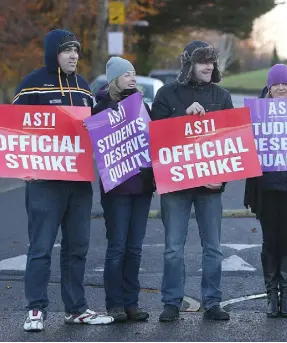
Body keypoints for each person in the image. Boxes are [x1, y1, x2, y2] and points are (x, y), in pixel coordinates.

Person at [13, 29, 114, 332]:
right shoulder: (32, 85)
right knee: (41, 247)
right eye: (67, 50)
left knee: (77, 247)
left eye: (76, 51)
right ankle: (35, 310)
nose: (73, 56)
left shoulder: (83, 87)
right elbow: (15, 131)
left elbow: (93, 131)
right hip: (44, 181)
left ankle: (76, 309)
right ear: (52, 52)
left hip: (79, 182)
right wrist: (22, 166)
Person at [151, 40, 234, 321]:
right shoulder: (166, 95)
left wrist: (221, 180)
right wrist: (182, 117)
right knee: (174, 249)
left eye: (212, 61)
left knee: (213, 248)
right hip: (175, 186)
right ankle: (171, 302)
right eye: (202, 61)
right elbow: (156, 138)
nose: (209, 66)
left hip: (210, 189)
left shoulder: (222, 96)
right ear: (188, 63)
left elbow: (231, 143)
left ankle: (212, 302)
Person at [91, 57, 155, 322]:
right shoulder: (100, 108)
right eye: (126, 74)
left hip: (142, 187)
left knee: (135, 248)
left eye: (134, 73)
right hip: (116, 189)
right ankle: (114, 304)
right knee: (117, 247)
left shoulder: (144, 107)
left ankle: (132, 303)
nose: (132, 77)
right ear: (114, 79)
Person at [244, 64, 287, 318]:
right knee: (270, 241)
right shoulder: (255, 114)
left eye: (285, 83)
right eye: (276, 84)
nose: (280, 88)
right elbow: (245, 150)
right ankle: (271, 296)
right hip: (266, 188)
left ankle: (286, 295)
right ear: (269, 87)